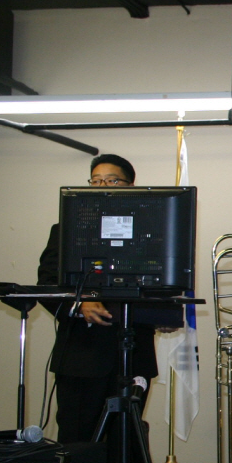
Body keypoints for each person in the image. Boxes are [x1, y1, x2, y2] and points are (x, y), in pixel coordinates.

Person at [37, 154, 175, 444]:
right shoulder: (66, 231)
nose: (103, 187)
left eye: (112, 181)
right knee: (78, 441)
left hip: (133, 355)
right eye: (96, 181)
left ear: (131, 187)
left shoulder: (152, 232)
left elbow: (163, 282)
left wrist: (164, 310)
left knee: (125, 442)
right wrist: (79, 303)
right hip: (81, 357)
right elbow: (47, 285)